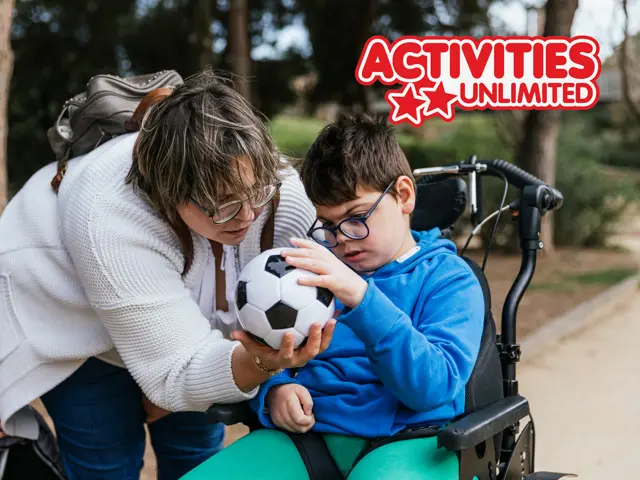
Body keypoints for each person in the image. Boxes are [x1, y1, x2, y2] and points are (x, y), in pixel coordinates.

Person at [0, 70, 335, 480]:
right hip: (70, 322)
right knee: (105, 459)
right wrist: (244, 368)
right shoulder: (110, 216)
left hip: (183, 318)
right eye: (222, 205)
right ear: (166, 190)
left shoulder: (279, 191)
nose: (247, 215)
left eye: (257, 193)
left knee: (196, 453)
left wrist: (196, 383)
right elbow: (174, 372)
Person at [182, 114, 486, 480]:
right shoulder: (305, 274)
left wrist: (361, 296)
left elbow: (431, 390)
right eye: (326, 224)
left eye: (356, 216)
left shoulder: (449, 279)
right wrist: (275, 392)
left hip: (411, 439)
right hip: (308, 438)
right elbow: (275, 356)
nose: (341, 237)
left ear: (403, 195)